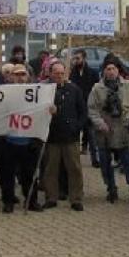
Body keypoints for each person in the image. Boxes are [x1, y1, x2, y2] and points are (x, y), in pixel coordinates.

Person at [39, 61, 87, 211]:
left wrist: (77, 127)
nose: (59, 76)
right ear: (51, 73)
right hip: (52, 136)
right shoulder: (44, 90)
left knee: (74, 169)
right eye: (56, 73)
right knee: (50, 169)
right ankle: (51, 197)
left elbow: (83, 112)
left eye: (61, 73)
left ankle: (76, 198)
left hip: (70, 137)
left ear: (65, 74)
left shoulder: (74, 90)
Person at [0, 64, 44, 213]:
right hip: (8, 141)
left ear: (28, 76)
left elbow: (42, 111)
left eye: (23, 74)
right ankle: (8, 201)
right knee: (7, 175)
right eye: (16, 74)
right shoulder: (4, 93)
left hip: (28, 142)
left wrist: (51, 110)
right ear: (11, 77)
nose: (20, 77)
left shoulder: (37, 93)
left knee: (29, 174)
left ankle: (31, 200)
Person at [88, 60, 129, 203]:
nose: (111, 71)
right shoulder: (97, 89)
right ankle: (111, 188)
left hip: (122, 130)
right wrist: (100, 124)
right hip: (104, 132)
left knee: (128, 162)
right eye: (108, 69)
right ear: (103, 71)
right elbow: (92, 110)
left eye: (113, 68)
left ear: (118, 70)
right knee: (105, 163)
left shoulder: (127, 86)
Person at [70, 50, 100, 167]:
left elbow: (96, 90)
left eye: (78, 58)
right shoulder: (72, 73)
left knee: (92, 135)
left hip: (88, 107)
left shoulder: (93, 73)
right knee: (75, 135)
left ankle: (95, 159)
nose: (76, 61)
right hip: (76, 108)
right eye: (75, 58)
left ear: (84, 58)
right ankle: (74, 160)